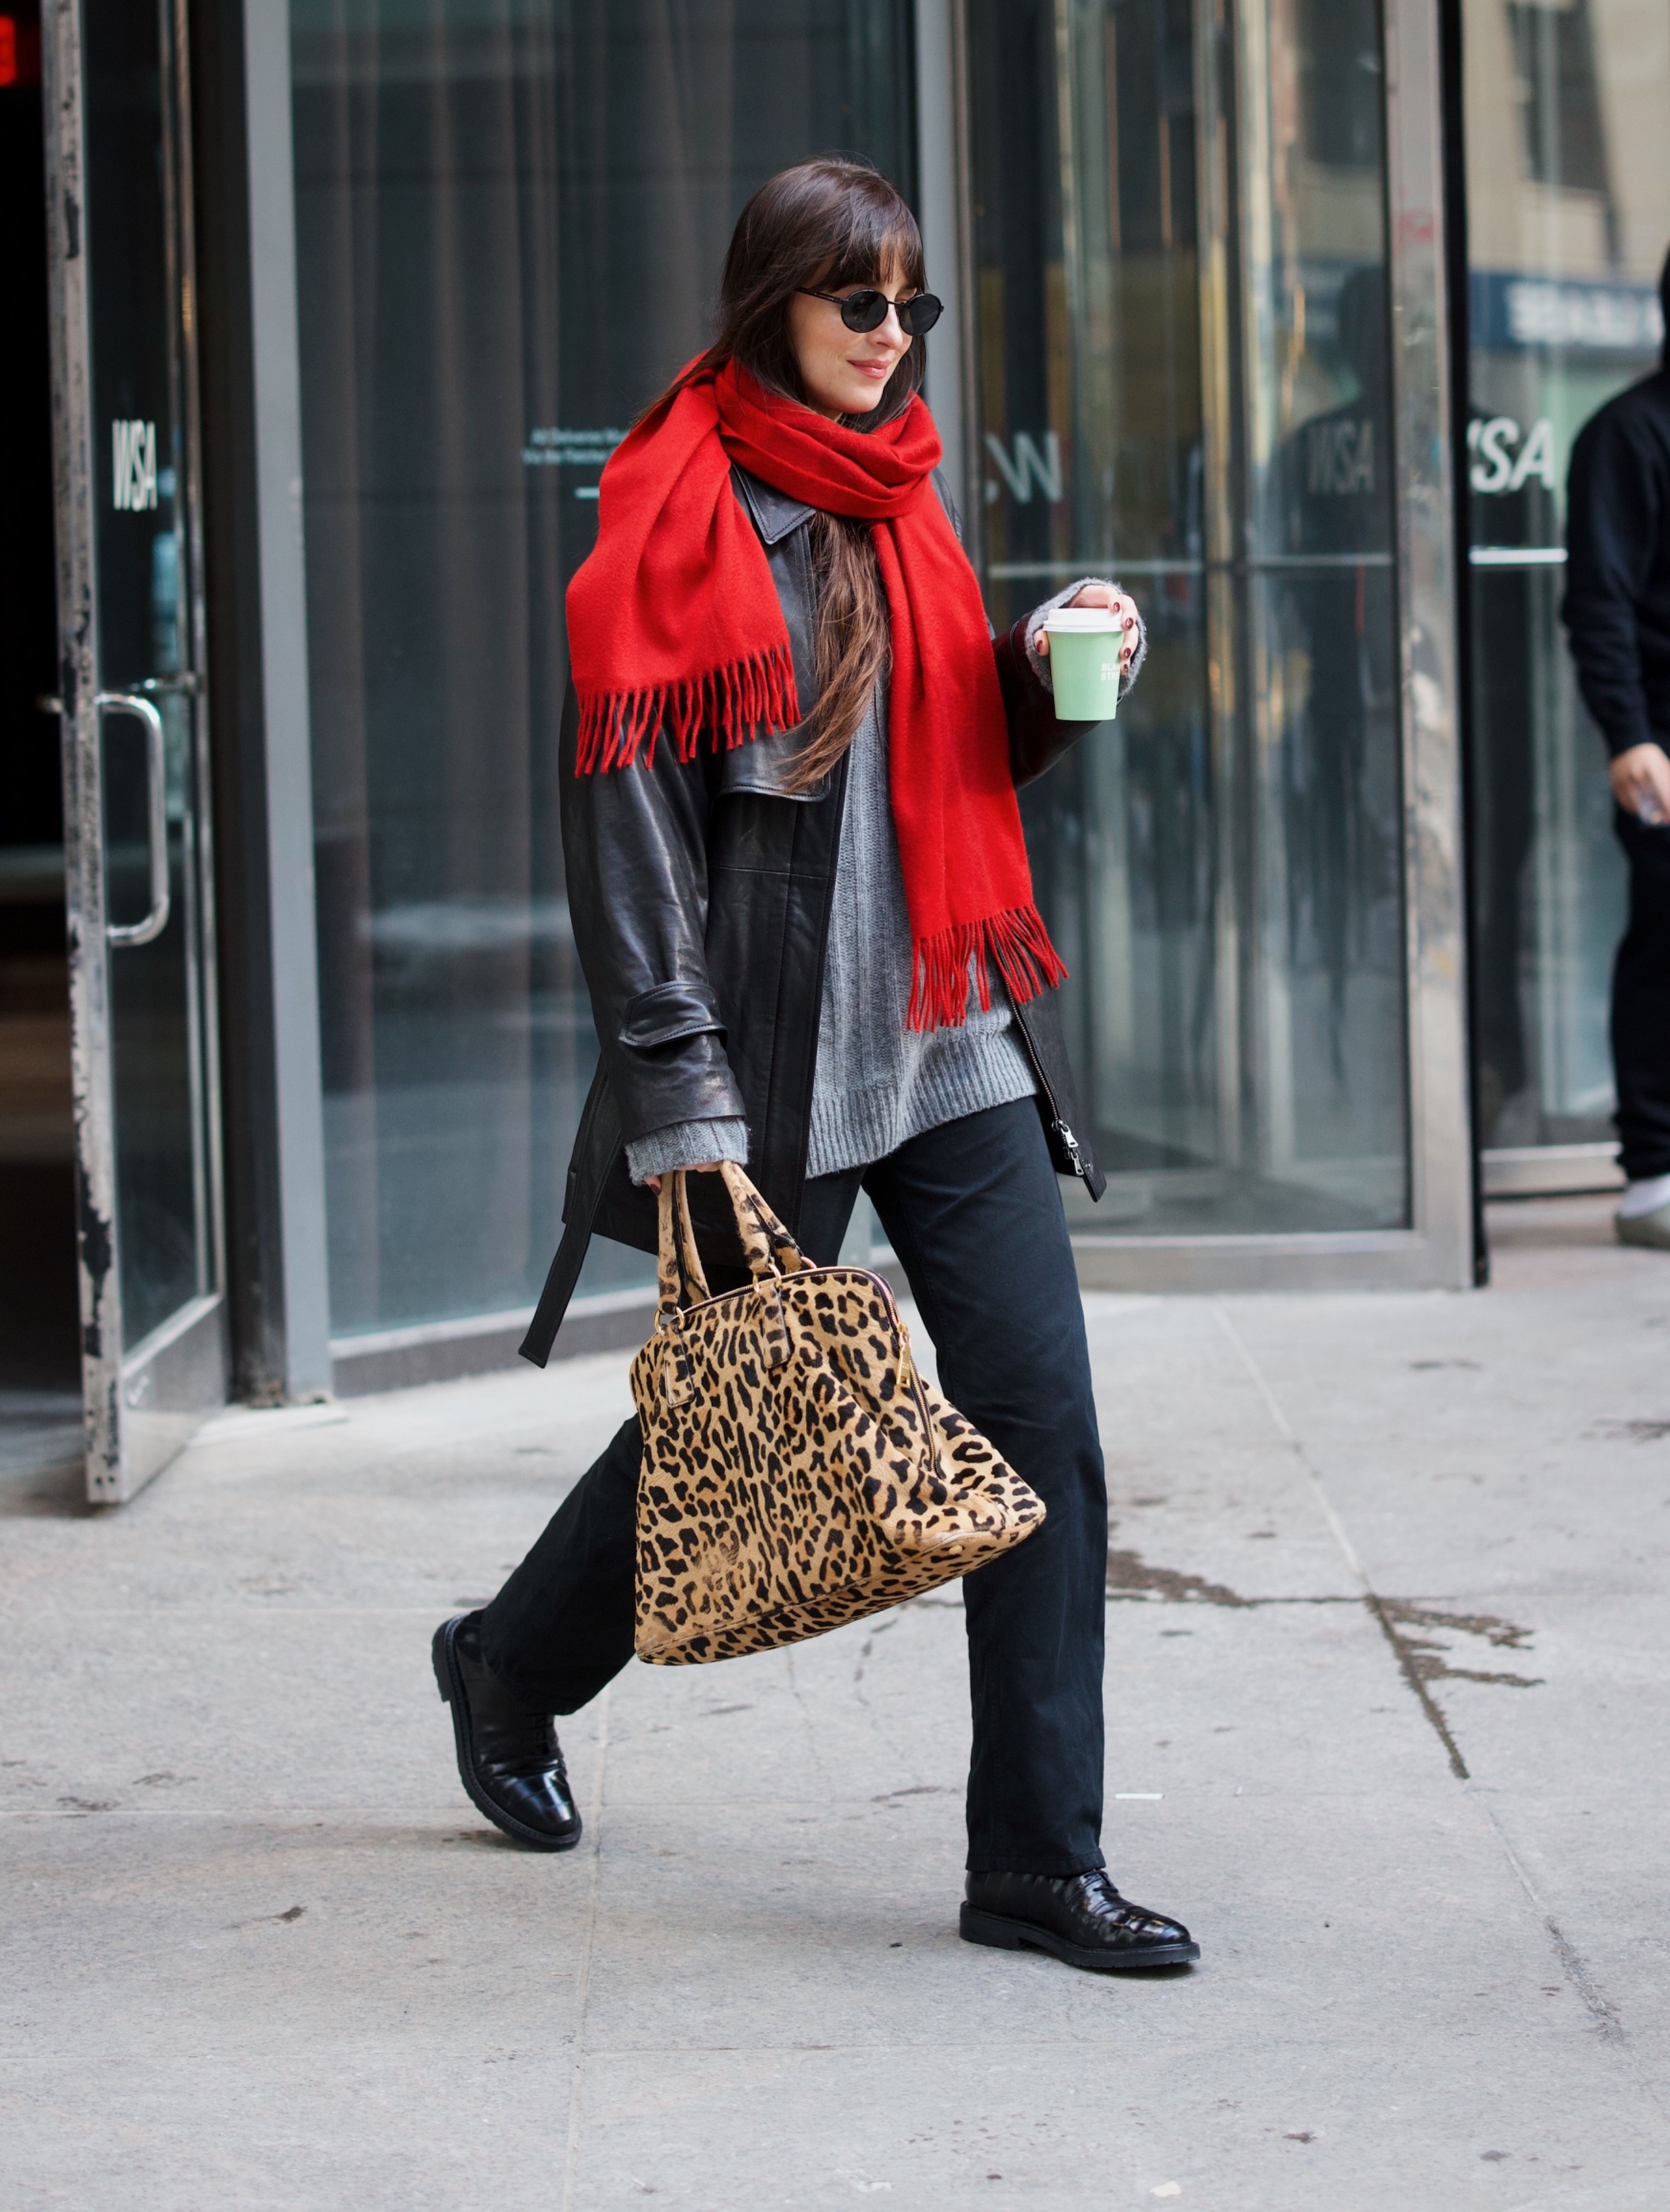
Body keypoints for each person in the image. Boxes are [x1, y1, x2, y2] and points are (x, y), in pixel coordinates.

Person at [431, 158, 1199, 1975]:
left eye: (910, 305)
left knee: (1044, 1442)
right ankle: (505, 1660)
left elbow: (943, 760)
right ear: (772, 300)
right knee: (730, 1428)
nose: (889, 336)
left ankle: (1033, 1856)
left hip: (955, 1043)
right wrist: (682, 1108)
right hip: (773, 1068)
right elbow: (631, 860)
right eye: (859, 302)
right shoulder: (671, 539)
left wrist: (1036, 672)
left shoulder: (905, 502)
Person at [1563, 246, 1670, 1248]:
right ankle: (1652, 1176)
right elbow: (1598, 601)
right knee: (1664, 945)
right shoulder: (1626, 434)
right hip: (1663, 746)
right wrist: (1629, 734)